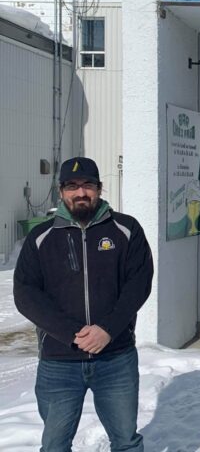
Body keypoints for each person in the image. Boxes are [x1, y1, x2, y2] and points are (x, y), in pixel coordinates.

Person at [14, 157, 154, 451]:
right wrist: (71, 333)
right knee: (54, 444)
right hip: (59, 360)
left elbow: (138, 284)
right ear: (61, 191)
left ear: (100, 189)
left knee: (126, 441)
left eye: (88, 184)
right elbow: (26, 294)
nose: (81, 192)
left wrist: (107, 329)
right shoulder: (41, 237)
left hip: (115, 356)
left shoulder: (126, 230)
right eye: (72, 186)